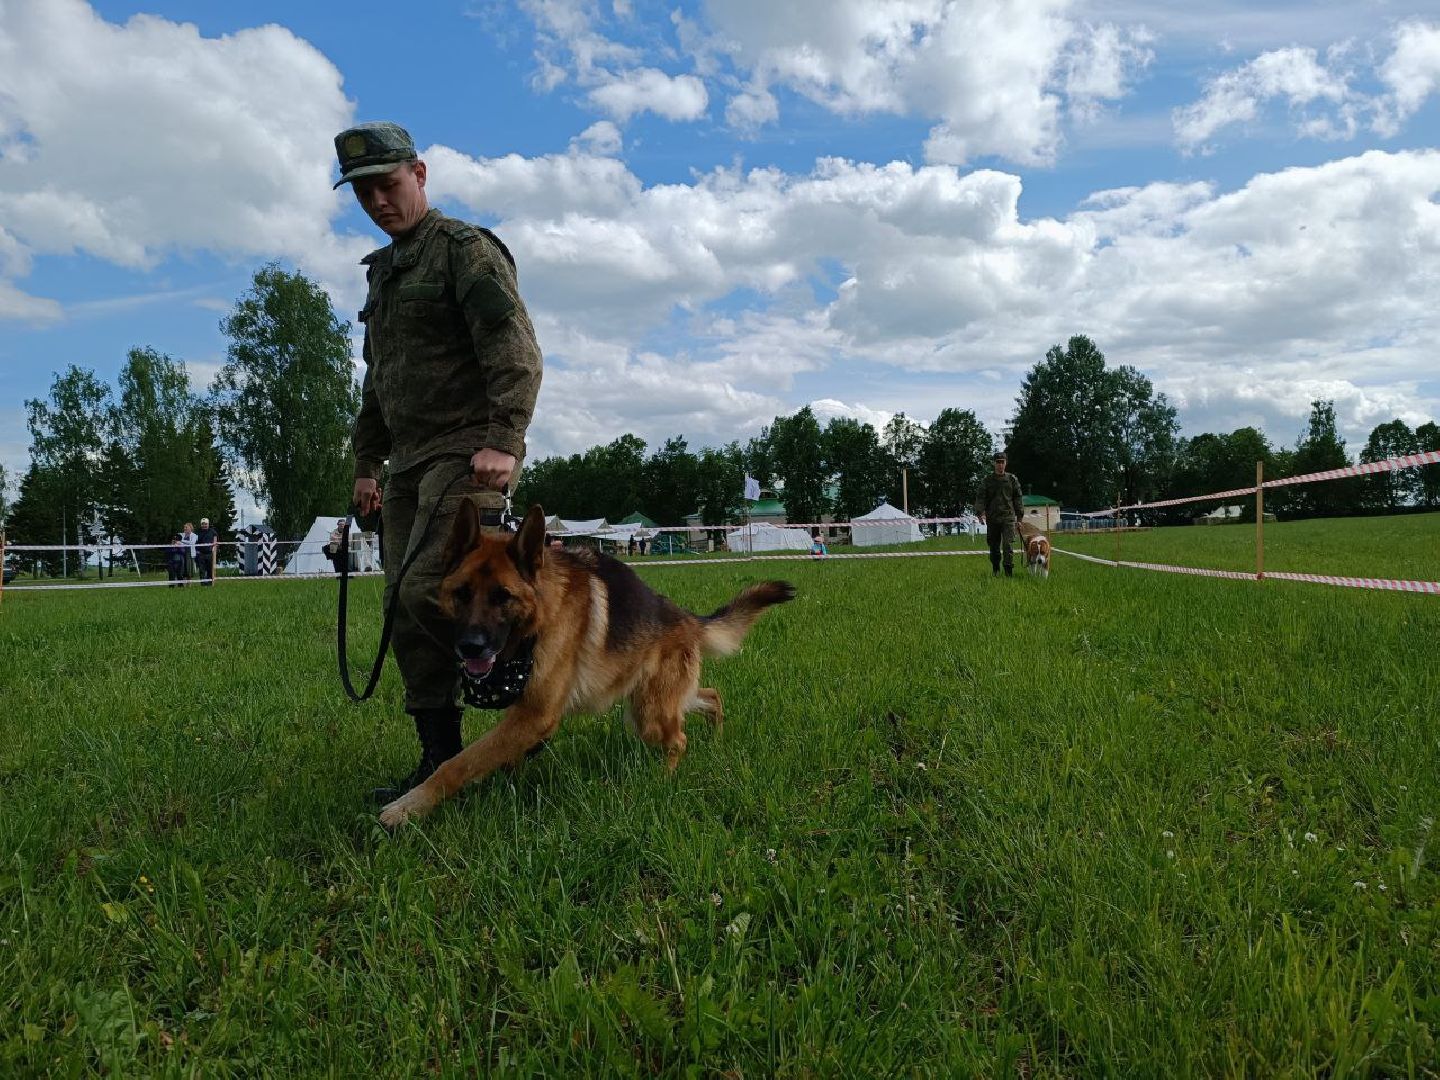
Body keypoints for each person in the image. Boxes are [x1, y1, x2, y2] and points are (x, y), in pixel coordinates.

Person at [337, 120, 544, 801]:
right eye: (362, 192)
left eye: (387, 184)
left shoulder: (463, 251)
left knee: (433, 586)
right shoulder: (384, 274)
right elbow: (377, 383)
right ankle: (440, 756)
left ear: (419, 174)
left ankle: (528, 699)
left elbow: (515, 351)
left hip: (467, 450)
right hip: (407, 462)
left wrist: (504, 439)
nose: (377, 201)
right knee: (403, 607)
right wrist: (367, 464)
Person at [975, 451, 1023, 577]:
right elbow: (981, 497)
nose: (1000, 465)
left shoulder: (1012, 479)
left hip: (1008, 518)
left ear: (1006, 463)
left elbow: (1018, 498)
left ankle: (1008, 572)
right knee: (994, 547)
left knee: (1008, 545)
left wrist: (1019, 518)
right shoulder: (987, 480)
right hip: (993, 518)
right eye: (998, 462)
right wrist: (980, 513)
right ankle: (996, 570)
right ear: (994, 463)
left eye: (1002, 462)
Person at [195, 517, 218, 585]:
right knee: (202, 569)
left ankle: (210, 583)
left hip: (210, 553)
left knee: (210, 569)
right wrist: (197, 551)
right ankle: (203, 583)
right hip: (200, 553)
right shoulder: (197, 532)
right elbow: (195, 542)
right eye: (203, 524)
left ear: (208, 524)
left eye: (205, 524)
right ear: (201, 524)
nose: (204, 525)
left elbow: (215, 542)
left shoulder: (213, 532)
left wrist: (214, 550)